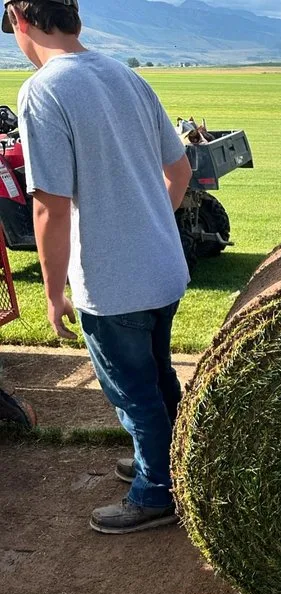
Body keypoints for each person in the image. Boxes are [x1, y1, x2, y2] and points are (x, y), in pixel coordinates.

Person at [4, 0, 193, 533]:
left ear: (21, 19)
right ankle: (169, 463)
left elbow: (49, 206)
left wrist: (52, 289)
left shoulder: (42, 90)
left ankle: (157, 493)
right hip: (162, 267)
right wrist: (148, 219)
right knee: (158, 379)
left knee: (133, 394)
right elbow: (178, 170)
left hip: (113, 282)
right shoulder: (124, 74)